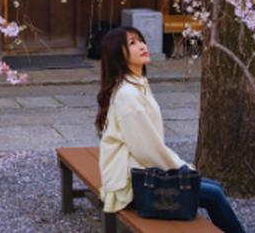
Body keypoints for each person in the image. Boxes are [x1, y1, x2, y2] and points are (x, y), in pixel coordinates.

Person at [96, 27, 246, 233]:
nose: (142, 46)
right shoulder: (128, 94)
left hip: (139, 175)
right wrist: (181, 168)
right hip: (131, 186)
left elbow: (150, 146)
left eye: (140, 40)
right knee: (214, 195)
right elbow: (146, 149)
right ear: (118, 55)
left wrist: (180, 166)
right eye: (132, 43)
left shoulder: (137, 85)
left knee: (215, 187)